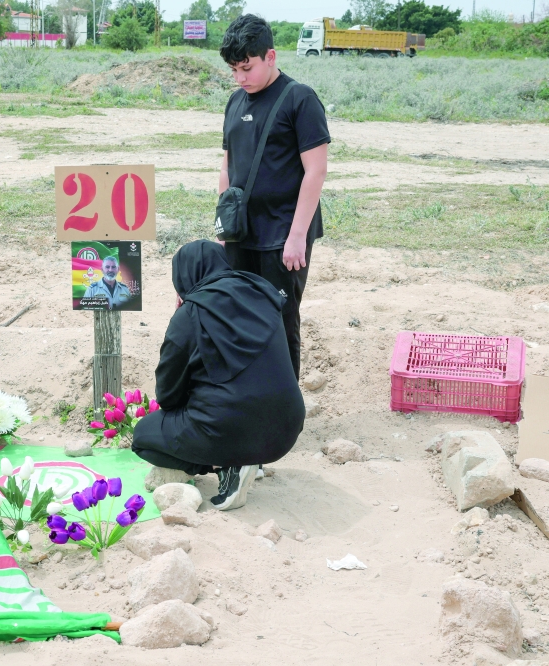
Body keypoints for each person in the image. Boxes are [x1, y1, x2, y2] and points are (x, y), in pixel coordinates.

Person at [131, 240, 305, 510]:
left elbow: (167, 395)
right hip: (286, 429)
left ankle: (228, 466)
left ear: (183, 276)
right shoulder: (263, 293)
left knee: (143, 436)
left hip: (228, 430)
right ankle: (250, 460)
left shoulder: (190, 313)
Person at [218, 14, 330, 380]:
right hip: (241, 234)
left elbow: (316, 170)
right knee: (238, 318)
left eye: (246, 68)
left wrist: (298, 236)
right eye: (234, 70)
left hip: (283, 235)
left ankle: (284, 408)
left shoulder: (299, 98)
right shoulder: (235, 102)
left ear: (271, 56)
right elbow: (227, 166)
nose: (240, 78)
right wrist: (224, 227)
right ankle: (249, 401)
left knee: (280, 321)